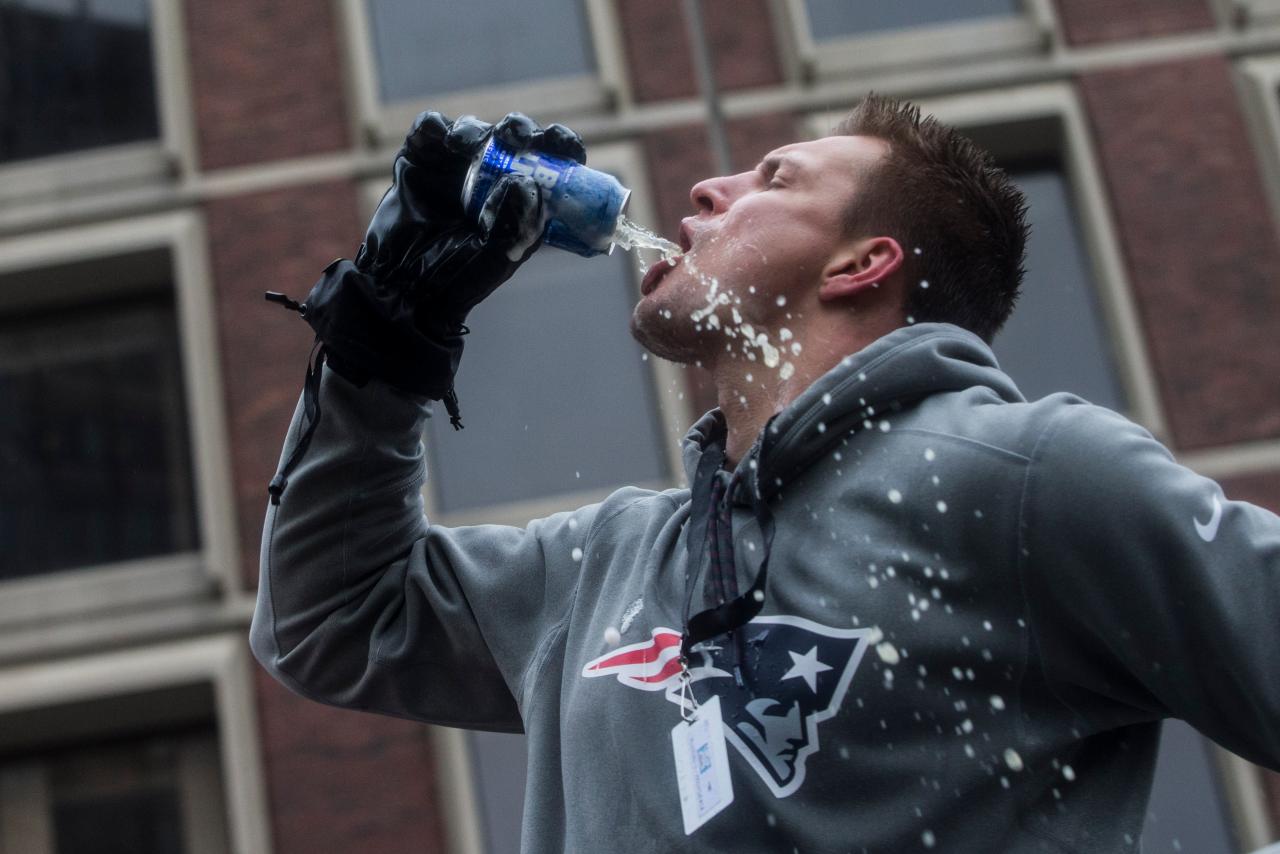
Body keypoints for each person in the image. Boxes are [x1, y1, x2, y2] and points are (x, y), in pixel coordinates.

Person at [252, 96, 1280, 853]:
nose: (706, 189)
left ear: (858, 263)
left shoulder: (1022, 482)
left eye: (774, 178)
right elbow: (329, 615)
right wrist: (384, 339)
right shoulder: (604, 565)